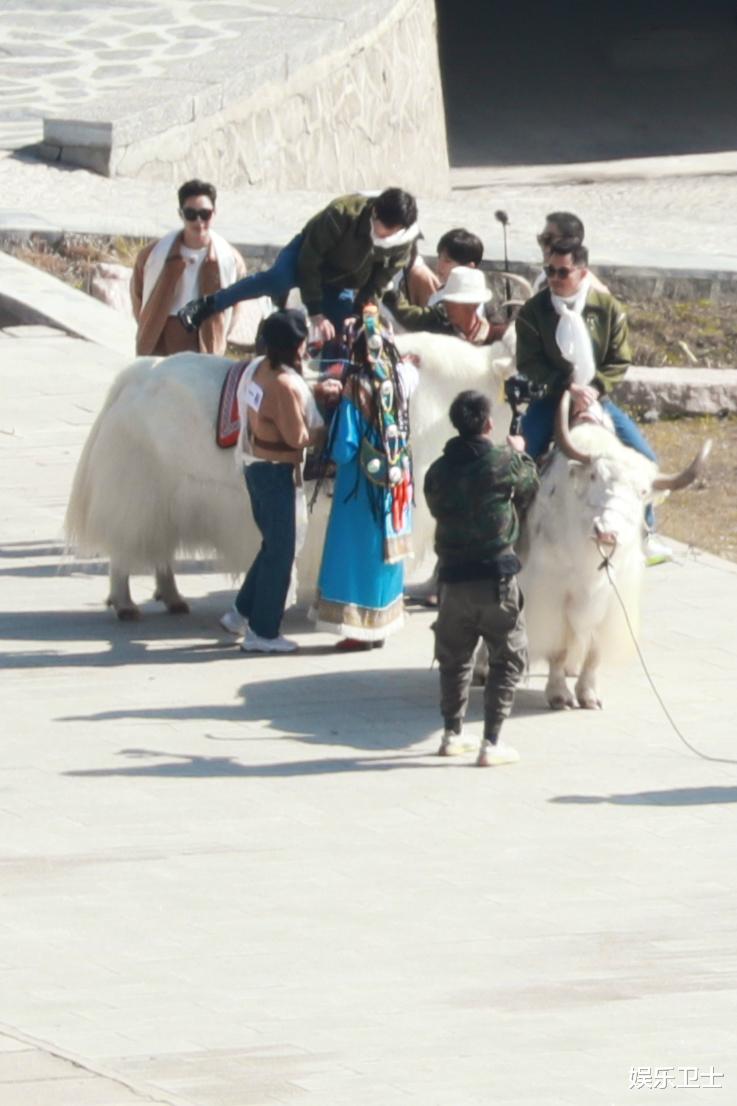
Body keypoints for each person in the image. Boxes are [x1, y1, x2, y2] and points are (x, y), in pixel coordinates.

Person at [515, 240, 671, 563]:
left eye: (562, 271)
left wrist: (595, 389)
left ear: (582, 271)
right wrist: (567, 386)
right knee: (522, 458)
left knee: (644, 458)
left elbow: (619, 358)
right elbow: (528, 361)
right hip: (551, 397)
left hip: (598, 397)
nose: (555, 278)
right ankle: (513, 534)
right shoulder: (534, 311)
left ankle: (647, 530)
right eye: (549, 271)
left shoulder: (606, 308)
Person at [424, 390, 539, 767]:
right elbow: (529, 485)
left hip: (452, 581)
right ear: (488, 423)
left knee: (455, 660)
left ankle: (451, 734)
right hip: (495, 580)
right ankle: (491, 742)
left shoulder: (437, 471)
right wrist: (519, 450)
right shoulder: (504, 463)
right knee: (507, 658)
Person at [177, 188, 420, 344]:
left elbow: (376, 285)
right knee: (276, 280)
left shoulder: (402, 245)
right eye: (378, 224)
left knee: (343, 333)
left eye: (389, 232)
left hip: (342, 283)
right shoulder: (342, 213)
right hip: (307, 256)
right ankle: (208, 304)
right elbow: (310, 260)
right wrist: (315, 312)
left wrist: (358, 314)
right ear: (374, 210)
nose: (380, 233)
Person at [311, 305, 416, 649]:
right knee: (387, 554)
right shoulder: (399, 380)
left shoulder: (356, 386)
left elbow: (344, 447)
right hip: (396, 482)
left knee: (356, 556)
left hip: (360, 491)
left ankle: (359, 630)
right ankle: (381, 627)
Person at [227, 309, 325, 654]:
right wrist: (325, 421)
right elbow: (297, 437)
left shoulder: (259, 370)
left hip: (256, 467)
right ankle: (263, 631)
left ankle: (240, 612)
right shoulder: (283, 386)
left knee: (272, 545)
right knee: (281, 552)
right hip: (274, 472)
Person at [130, 179, 247, 356]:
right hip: (162, 338)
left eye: (205, 214)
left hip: (205, 341)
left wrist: (218, 335)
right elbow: (138, 298)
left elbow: (236, 307)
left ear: (214, 213)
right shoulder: (153, 255)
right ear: (181, 214)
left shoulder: (230, 260)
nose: (198, 221)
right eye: (191, 214)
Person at [384, 265, 507, 344]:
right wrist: (387, 290)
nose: (447, 307)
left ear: (473, 305)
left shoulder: (498, 337)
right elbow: (408, 315)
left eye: (454, 303)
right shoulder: (438, 323)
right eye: (446, 302)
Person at [533, 210, 608, 293]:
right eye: (541, 239)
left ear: (569, 241)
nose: (543, 246)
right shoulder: (542, 280)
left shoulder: (594, 291)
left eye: (548, 239)